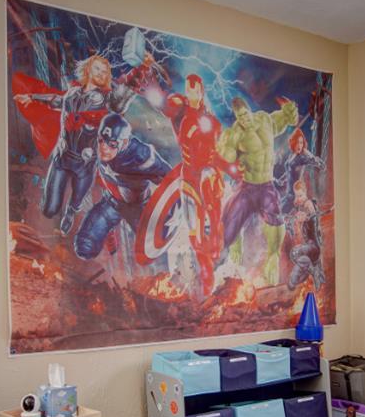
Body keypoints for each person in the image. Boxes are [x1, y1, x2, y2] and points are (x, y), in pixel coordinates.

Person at [14, 53, 153, 235]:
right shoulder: (73, 93)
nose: (101, 74)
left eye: (105, 71)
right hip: (62, 158)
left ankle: (71, 212)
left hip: (85, 165)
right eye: (97, 69)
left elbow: (126, 89)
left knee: (75, 203)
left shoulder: (109, 101)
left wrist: (142, 68)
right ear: (88, 70)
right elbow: (58, 101)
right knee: (49, 209)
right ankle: (57, 210)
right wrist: (32, 97)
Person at [149, 74, 231, 293]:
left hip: (207, 175)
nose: (190, 92)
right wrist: (149, 81)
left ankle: (214, 246)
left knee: (212, 223)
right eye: (188, 88)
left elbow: (215, 154)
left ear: (201, 90)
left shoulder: (211, 121)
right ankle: (205, 274)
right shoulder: (180, 110)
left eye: (194, 88)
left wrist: (230, 168)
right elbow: (165, 106)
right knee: (194, 231)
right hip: (189, 179)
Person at [216, 95, 298, 285]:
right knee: (229, 221)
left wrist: (289, 111)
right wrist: (225, 143)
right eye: (239, 117)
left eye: (245, 114)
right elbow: (227, 158)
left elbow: (289, 120)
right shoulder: (236, 133)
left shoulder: (265, 120)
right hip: (247, 185)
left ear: (249, 110)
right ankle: (231, 252)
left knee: (276, 221)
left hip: (266, 184)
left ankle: (273, 258)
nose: (243, 120)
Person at [73, 113, 172, 262]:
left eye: (112, 144)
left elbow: (170, 178)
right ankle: (107, 230)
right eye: (101, 140)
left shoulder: (141, 154)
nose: (104, 148)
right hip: (111, 203)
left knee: (153, 252)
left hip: (139, 208)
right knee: (85, 246)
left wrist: (166, 211)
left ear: (125, 142)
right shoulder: (93, 144)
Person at [273, 129, 323, 219]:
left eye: (301, 143)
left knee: (278, 215)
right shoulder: (291, 156)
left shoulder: (301, 158)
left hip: (294, 196)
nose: (299, 145)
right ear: (293, 143)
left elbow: (317, 163)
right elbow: (288, 170)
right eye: (297, 143)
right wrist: (281, 180)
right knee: (276, 211)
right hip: (288, 194)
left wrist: (308, 153)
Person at [286, 181, 326, 289]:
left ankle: (313, 271)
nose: (299, 198)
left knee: (295, 253)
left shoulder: (309, 204)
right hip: (309, 249)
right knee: (299, 257)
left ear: (306, 192)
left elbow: (312, 215)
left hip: (314, 249)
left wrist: (306, 217)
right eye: (297, 195)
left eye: (301, 195)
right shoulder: (300, 205)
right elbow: (294, 210)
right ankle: (311, 270)